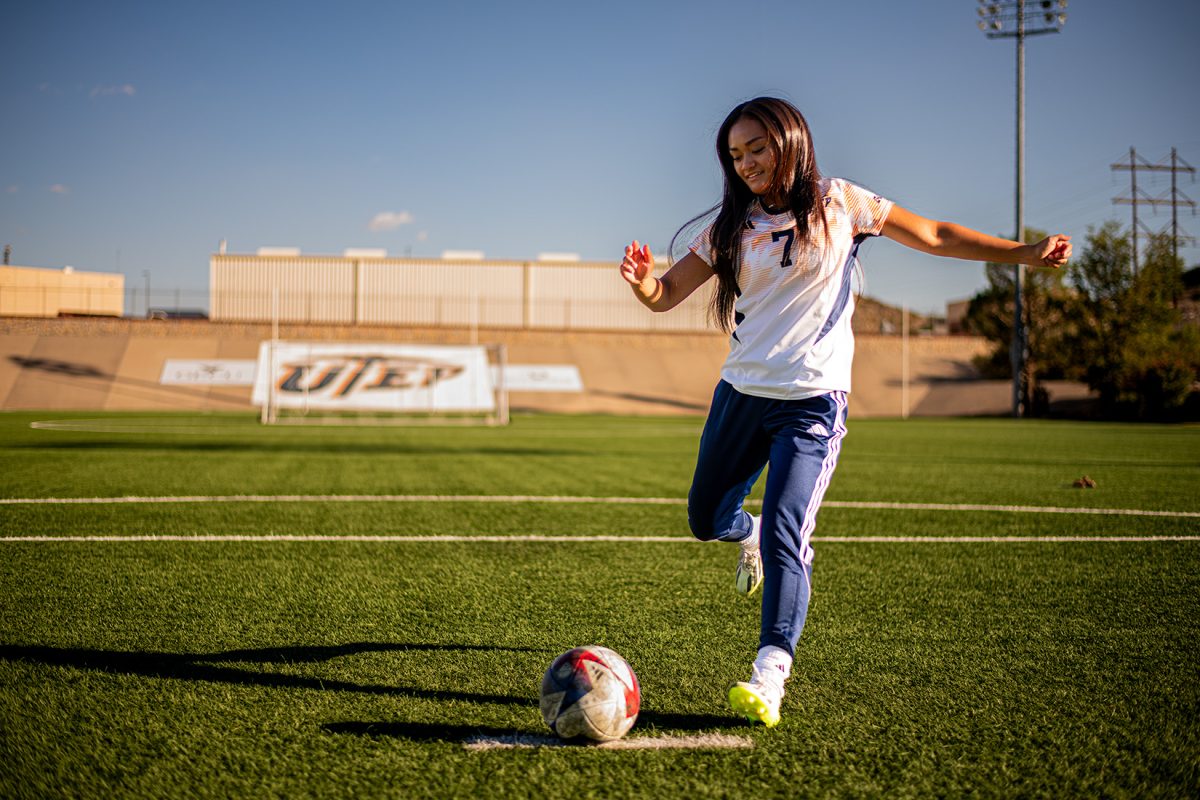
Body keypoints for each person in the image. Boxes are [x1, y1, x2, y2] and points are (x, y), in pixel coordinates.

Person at [618, 96, 1071, 728]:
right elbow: (665, 296)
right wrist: (642, 283)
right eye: (735, 155)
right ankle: (741, 534)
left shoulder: (842, 203)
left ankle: (769, 673)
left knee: (788, 532)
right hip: (742, 395)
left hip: (812, 403)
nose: (746, 163)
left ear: (791, 141)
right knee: (704, 518)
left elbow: (936, 235)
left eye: (757, 148)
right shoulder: (730, 227)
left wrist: (1024, 254)